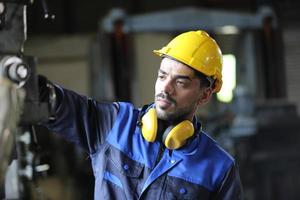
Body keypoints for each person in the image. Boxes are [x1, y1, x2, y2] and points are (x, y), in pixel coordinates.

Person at [40, 30, 243, 199]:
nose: (166, 88)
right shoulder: (115, 124)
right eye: (162, 76)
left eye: (180, 82)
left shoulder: (219, 168)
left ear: (205, 94)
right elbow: (56, 105)